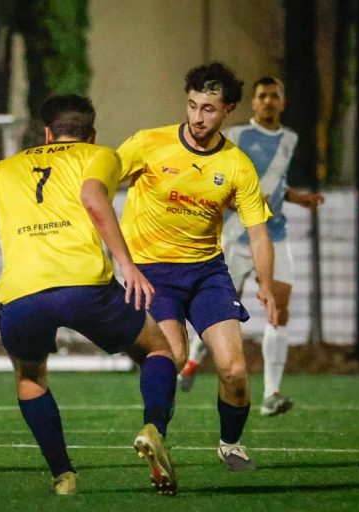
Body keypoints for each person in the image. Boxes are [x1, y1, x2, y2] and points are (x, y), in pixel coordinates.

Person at [0, 94, 178, 496]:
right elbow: (92, 197)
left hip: (22, 294)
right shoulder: (100, 155)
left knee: (30, 379)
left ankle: (63, 475)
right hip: (84, 285)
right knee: (158, 350)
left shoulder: (3, 168)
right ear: (91, 134)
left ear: (48, 132)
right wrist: (128, 266)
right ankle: (154, 429)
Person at [116, 63, 279, 472]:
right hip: (152, 272)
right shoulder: (148, 143)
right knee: (171, 355)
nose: (197, 117)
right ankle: (154, 438)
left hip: (207, 273)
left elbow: (258, 233)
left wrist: (267, 284)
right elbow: (95, 184)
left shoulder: (237, 164)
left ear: (229, 110)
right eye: (191, 106)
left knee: (234, 370)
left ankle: (231, 445)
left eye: (208, 109)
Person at [178, 77, 325, 417]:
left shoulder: (289, 139)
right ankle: (194, 359)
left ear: (282, 102)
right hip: (235, 237)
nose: (269, 101)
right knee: (220, 311)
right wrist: (230, 203)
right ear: (254, 103)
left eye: (275, 95)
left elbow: (278, 185)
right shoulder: (238, 137)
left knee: (279, 312)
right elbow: (217, 177)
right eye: (263, 96)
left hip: (274, 236)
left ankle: (271, 393)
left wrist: (299, 198)